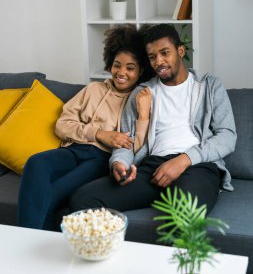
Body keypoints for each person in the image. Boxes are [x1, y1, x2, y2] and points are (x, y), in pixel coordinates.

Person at [69, 23, 237, 215]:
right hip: (152, 169)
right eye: (152, 57)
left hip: (196, 166)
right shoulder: (142, 93)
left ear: (180, 51)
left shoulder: (209, 85)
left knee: (184, 213)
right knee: (82, 199)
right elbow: (126, 141)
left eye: (165, 53)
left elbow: (227, 136)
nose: (159, 61)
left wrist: (184, 160)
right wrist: (119, 164)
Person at [17, 24, 152, 231]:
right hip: (73, 149)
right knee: (35, 162)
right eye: (117, 65)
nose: (121, 72)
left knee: (50, 196)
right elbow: (62, 125)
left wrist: (141, 117)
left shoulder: (140, 99)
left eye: (130, 67)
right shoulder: (93, 89)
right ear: (110, 64)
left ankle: (29, 245)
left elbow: (137, 145)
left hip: (101, 159)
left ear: (141, 70)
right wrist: (99, 133)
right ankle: (25, 240)